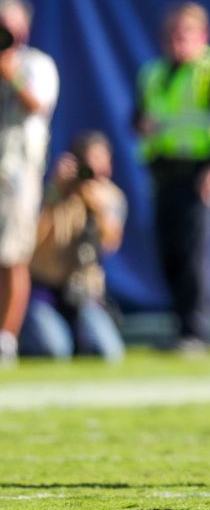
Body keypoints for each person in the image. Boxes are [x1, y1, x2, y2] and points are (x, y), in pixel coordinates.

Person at [133, 2, 210, 354]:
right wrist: (143, 125)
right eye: (171, 35)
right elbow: (138, 116)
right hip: (163, 172)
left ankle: (196, 333)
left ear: (203, 36)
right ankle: (179, 328)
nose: (176, 42)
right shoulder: (153, 72)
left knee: (194, 255)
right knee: (169, 253)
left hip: (199, 173)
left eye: (184, 35)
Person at [22, 132, 127, 361]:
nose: (95, 172)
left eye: (102, 162)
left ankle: (76, 334)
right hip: (46, 290)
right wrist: (54, 193)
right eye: (89, 165)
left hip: (83, 293)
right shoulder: (51, 195)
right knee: (55, 350)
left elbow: (110, 244)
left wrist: (97, 209)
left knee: (108, 353)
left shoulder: (111, 198)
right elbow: (31, 242)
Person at [0, 0, 59, 367]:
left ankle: (6, 337)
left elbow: (36, 104)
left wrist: (9, 69)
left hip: (15, 173)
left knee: (10, 256)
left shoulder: (36, 64)